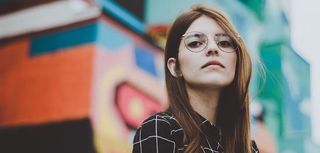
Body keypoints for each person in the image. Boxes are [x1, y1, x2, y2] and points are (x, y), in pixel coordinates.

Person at [132, 4, 259, 153]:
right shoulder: (161, 129)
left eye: (224, 42)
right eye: (195, 43)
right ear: (175, 67)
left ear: (236, 63)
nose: (213, 48)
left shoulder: (249, 149)